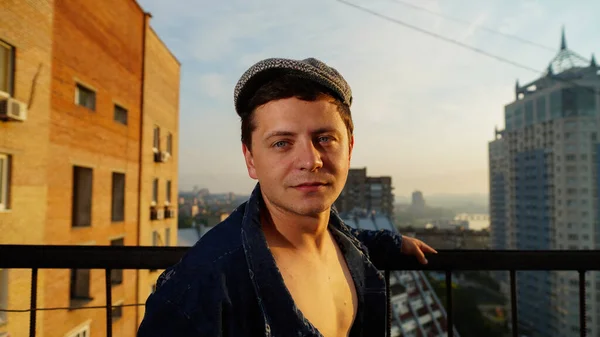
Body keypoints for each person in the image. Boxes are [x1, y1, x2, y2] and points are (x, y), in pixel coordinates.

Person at [137, 57, 436, 337]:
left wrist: (396, 243)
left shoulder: (345, 246)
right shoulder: (199, 289)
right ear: (251, 160)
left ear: (350, 149)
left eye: (325, 139)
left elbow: (351, 237)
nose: (311, 160)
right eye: (282, 143)